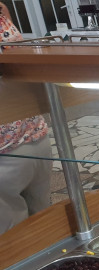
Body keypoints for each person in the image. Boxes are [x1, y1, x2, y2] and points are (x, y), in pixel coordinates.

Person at [0, 2, 52, 233]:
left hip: (7, 148)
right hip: (35, 134)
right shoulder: (2, 12)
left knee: (14, 237)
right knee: (42, 222)